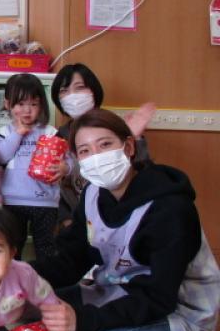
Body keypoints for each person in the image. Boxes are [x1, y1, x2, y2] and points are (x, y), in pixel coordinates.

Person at [35, 109, 220, 331]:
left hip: (172, 312)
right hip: (115, 292)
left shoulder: (170, 208)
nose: (96, 156)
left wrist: (83, 319)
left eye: (105, 145)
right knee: (29, 302)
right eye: (85, 151)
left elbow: (160, 297)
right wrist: (16, 274)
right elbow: (72, 260)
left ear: (129, 147)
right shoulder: (92, 194)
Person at [51, 63, 155, 228]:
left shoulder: (113, 126)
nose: (72, 96)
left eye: (80, 88)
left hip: (119, 216)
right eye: (64, 91)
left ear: (93, 90)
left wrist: (136, 139)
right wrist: (67, 219)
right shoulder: (59, 137)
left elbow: (143, 171)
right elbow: (61, 187)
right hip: (78, 218)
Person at [0, 73, 67, 258]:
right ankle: (13, 275)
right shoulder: (4, 132)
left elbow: (68, 157)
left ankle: (45, 276)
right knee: (13, 246)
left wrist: (65, 168)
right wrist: (18, 133)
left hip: (46, 201)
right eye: (20, 104)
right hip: (13, 200)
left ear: (41, 105)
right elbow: (1, 156)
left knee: (46, 246)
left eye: (33, 104)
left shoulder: (50, 132)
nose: (27, 110)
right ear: (8, 104)